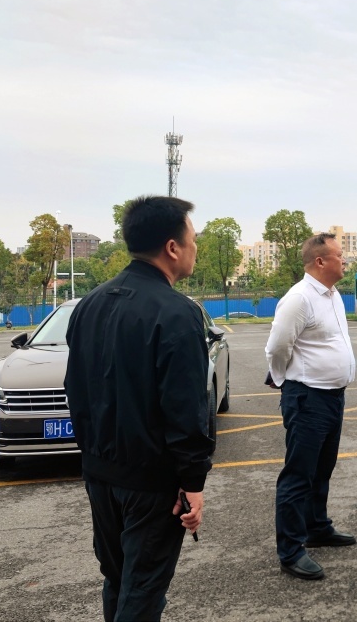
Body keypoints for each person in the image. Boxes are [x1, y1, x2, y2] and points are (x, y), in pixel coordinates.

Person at [64, 195, 213, 622]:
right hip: (151, 483)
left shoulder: (89, 305)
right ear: (172, 247)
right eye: (192, 239)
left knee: (118, 578)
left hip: (100, 473)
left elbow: (76, 389)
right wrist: (192, 482)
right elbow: (185, 408)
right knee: (144, 588)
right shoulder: (178, 313)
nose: (195, 247)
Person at [266, 232, 356, 580]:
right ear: (320, 261)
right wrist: (285, 380)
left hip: (333, 396)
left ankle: (317, 527)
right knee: (298, 475)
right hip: (308, 398)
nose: (344, 260)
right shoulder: (299, 298)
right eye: (339, 255)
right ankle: (290, 550)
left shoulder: (332, 295)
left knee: (322, 470)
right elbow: (277, 348)